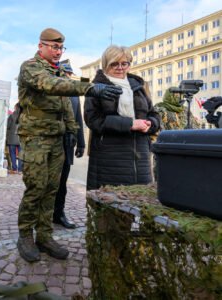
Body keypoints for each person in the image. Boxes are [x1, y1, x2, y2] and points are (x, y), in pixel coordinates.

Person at [17, 28, 122, 262]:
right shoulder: (31, 68)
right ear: (40, 46)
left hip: (58, 139)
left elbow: (67, 105)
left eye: (60, 48)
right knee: (35, 188)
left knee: (51, 190)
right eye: (53, 47)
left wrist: (75, 134)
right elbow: (51, 85)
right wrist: (91, 87)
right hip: (35, 139)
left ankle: (44, 236)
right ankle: (25, 236)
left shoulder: (60, 73)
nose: (57, 51)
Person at [84, 45, 160, 191]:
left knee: (138, 201)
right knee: (111, 204)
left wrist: (151, 123)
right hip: (110, 156)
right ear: (106, 64)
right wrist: (130, 124)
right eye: (114, 64)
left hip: (140, 156)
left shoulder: (139, 86)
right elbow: (93, 120)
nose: (120, 67)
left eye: (124, 63)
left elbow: (153, 113)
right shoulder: (96, 87)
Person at [53, 62, 85, 229]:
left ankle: (59, 214)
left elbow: (78, 118)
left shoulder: (73, 93)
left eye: (70, 75)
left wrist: (81, 143)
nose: (67, 77)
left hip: (68, 143)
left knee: (62, 182)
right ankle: (41, 216)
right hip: (51, 142)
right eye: (65, 74)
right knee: (46, 182)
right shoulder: (51, 87)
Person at [6, 103, 23, 174]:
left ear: (15, 107)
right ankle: (20, 170)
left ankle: (14, 169)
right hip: (21, 139)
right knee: (21, 154)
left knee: (12, 154)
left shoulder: (11, 116)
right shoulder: (24, 117)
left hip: (12, 139)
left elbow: (8, 126)